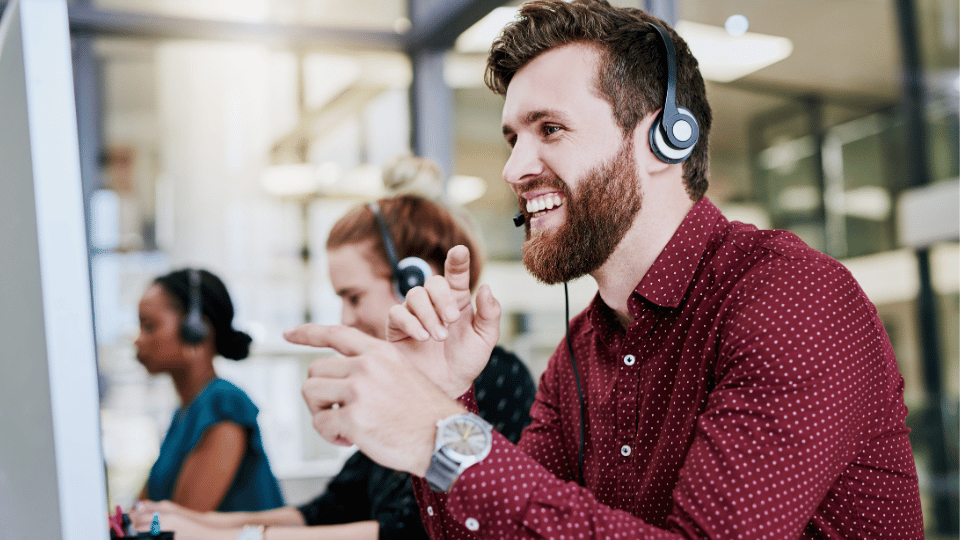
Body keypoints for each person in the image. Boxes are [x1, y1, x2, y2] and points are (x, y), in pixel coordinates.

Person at [289, 1, 925, 539]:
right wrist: (444, 397)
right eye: (514, 138)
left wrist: (442, 437)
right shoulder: (580, 351)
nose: (513, 171)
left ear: (662, 140)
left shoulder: (791, 298)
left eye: (551, 128)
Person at [131, 195, 537, 540]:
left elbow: (407, 531)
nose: (345, 318)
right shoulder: (401, 388)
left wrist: (230, 536)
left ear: (414, 282)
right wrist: (196, 522)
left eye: (354, 297)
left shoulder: (494, 377)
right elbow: (329, 510)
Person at [135, 268, 284, 512]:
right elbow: (142, 511)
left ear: (195, 330)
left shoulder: (223, 404)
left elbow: (182, 523)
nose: (138, 340)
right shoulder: (186, 411)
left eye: (149, 326)